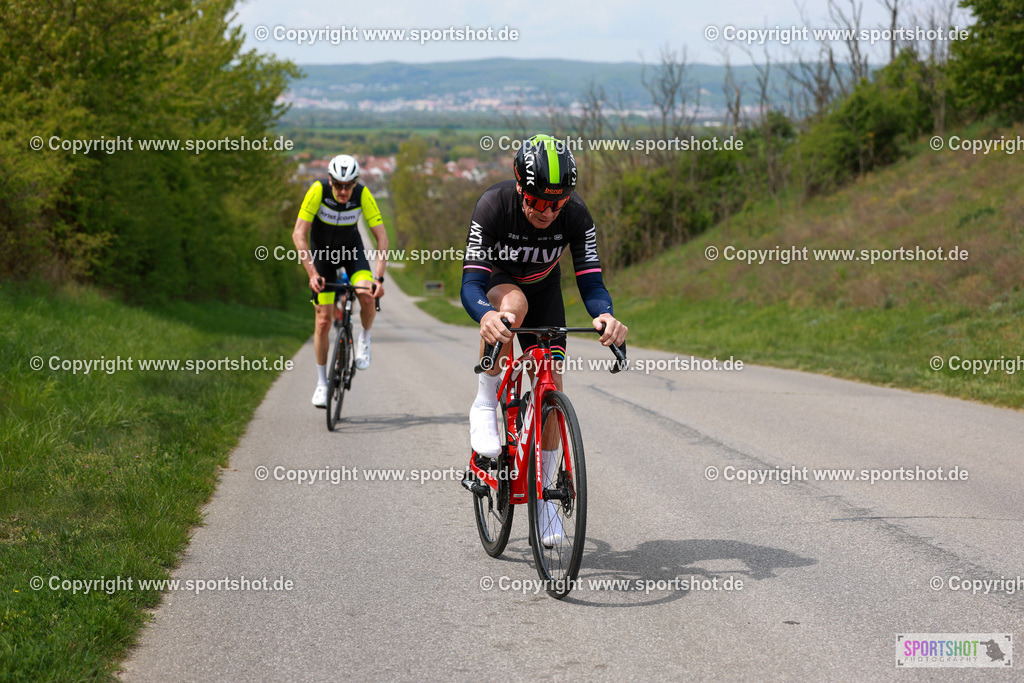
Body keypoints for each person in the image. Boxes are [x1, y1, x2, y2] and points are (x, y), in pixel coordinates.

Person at [460, 133, 627, 545]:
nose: (547, 211)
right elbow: (471, 282)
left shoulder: (576, 215)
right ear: (521, 187)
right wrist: (485, 315)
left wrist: (604, 314)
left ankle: (546, 499)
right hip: (499, 285)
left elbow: (590, 278)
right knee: (512, 306)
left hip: (545, 290)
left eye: (557, 202)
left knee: (550, 380)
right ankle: (484, 401)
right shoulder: (493, 205)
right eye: (537, 201)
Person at [292, 154, 387, 408]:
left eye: (348, 185)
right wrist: (312, 274)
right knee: (322, 321)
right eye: (338, 185)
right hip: (322, 257)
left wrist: (378, 278)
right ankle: (322, 384)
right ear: (330, 180)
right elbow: (299, 234)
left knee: (367, 294)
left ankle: (365, 338)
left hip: (351, 252)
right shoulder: (318, 191)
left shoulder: (362, 194)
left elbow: (382, 239)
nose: (343, 191)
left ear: (355, 182)